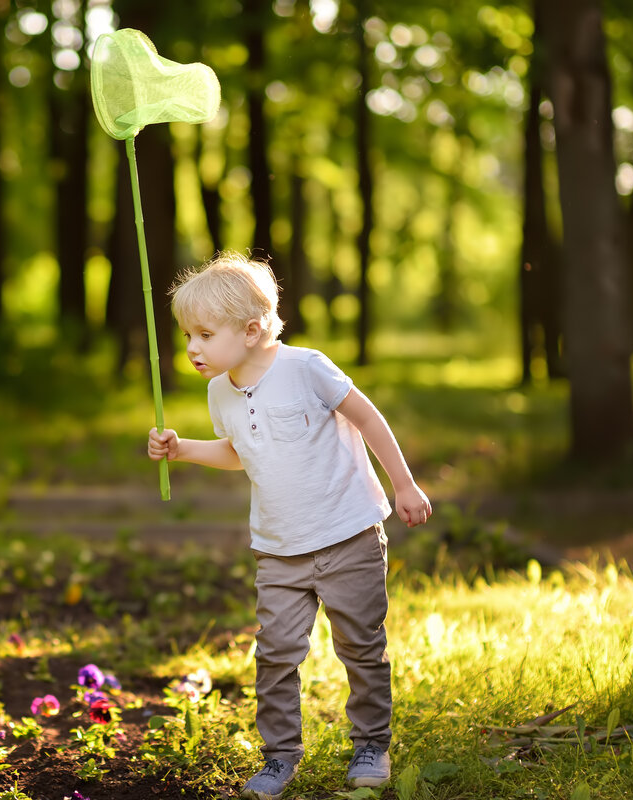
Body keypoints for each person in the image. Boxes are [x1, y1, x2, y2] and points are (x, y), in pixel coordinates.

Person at [146, 251, 432, 799]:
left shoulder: (306, 368)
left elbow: (367, 417)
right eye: (188, 335)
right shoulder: (219, 392)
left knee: (359, 644)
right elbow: (240, 452)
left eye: (205, 334)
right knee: (275, 653)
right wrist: (181, 449)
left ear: (251, 330)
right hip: (278, 549)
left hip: (348, 534)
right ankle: (279, 756)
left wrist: (404, 485)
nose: (191, 348)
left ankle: (372, 744)